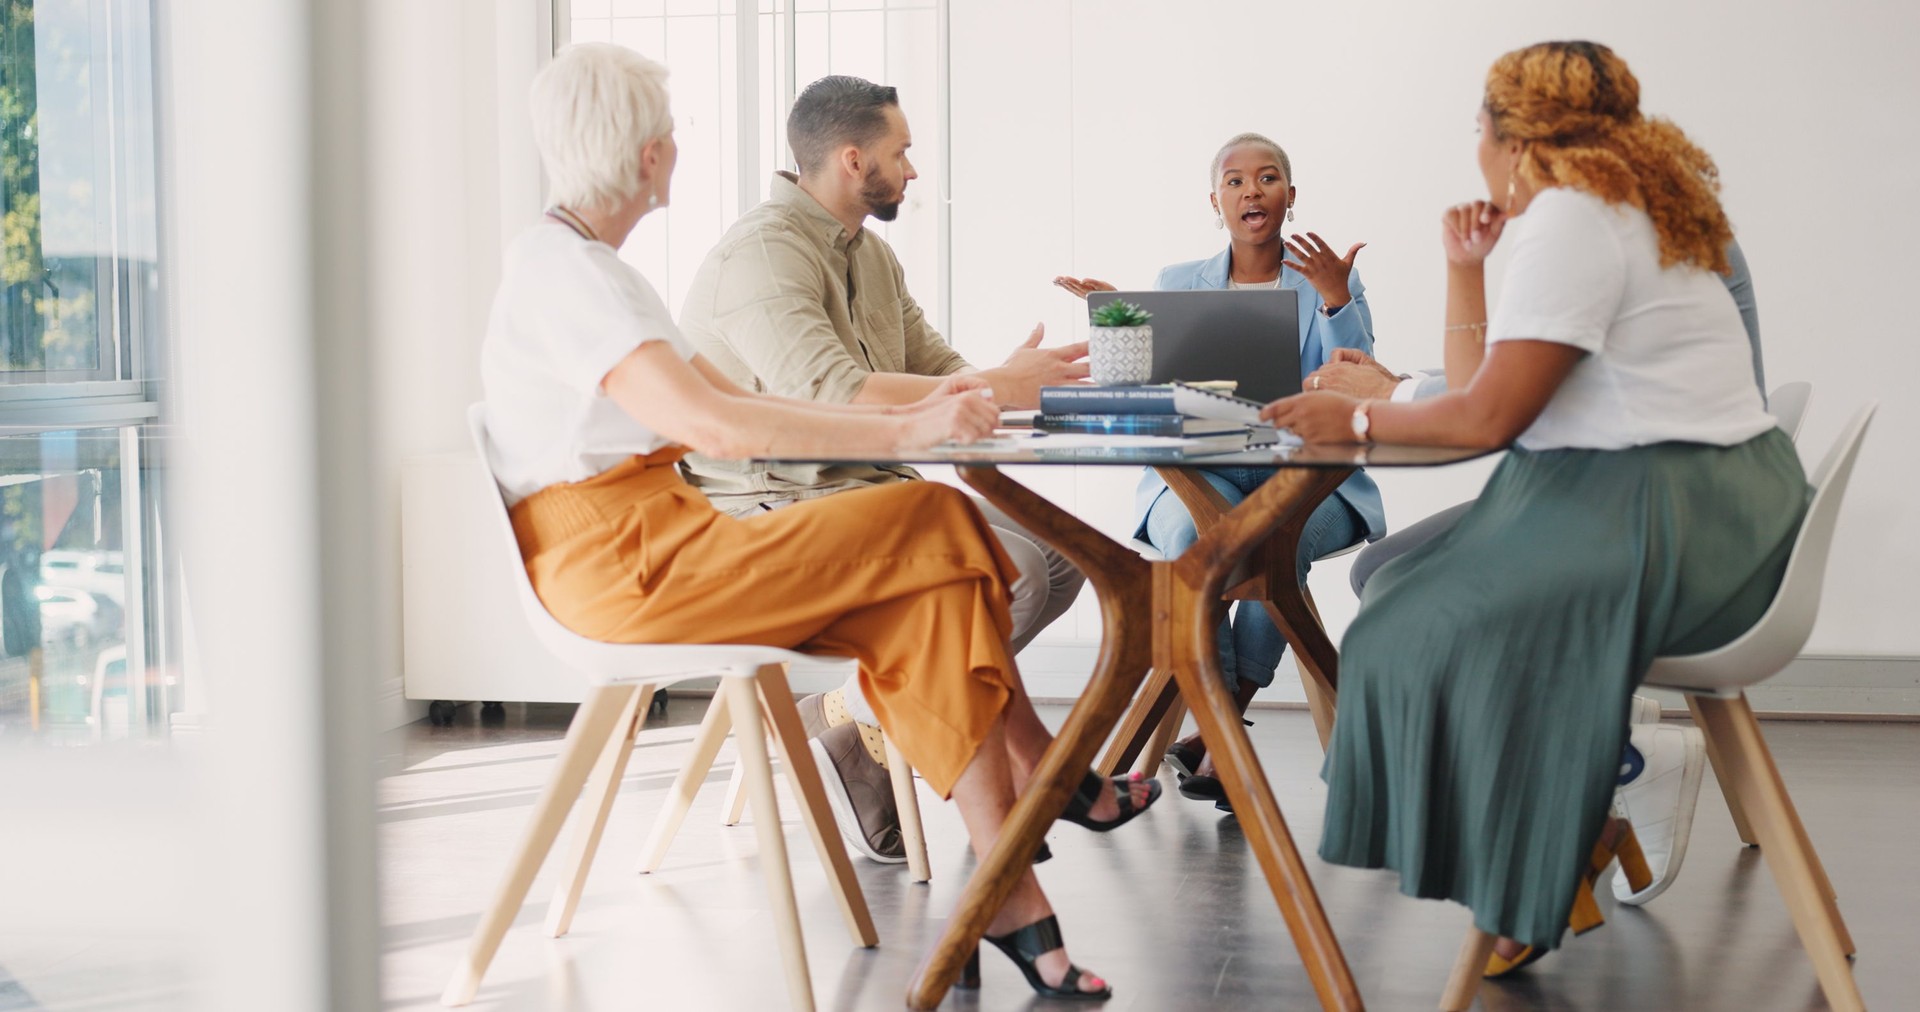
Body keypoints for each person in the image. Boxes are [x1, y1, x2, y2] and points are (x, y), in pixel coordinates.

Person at [485, 44, 1157, 999]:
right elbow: (719, 423)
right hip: (630, 565)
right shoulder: (574, 278)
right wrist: (910, 423)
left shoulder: (598, 271)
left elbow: (733, 395)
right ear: (643, 154)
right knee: (937, 518)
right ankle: (1053, 776)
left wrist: (921, 413)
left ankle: (1008, 909)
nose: (678, 147)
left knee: (932, 607)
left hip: (666, 541)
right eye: (668, 134)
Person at [1263, 41, 1807, 975]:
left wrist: (1352, 415)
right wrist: (1466, 266)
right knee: (1403, 587)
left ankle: (1562, 825)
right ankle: (1562, 832)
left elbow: (1486, 419)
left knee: (1403, 622)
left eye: (1478, 131)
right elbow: (1488, 393)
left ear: (1513, 140)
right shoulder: (1642, 199)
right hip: (1711, 500)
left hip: (1660, 511)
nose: (1475, 151)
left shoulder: (1576, 221)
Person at [675, 76, 1092, 864]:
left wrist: (1015, 379)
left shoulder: (872, 258)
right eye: (902, 153)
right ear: (852, 158)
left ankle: (848, 719)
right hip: (777, 501)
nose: (912, 170)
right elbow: (835, 395)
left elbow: (940, 371)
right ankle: (889, 736)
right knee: (1019, 573)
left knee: (1064, 560)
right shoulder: (764, 254)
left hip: (865, 486)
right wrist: (988, 387)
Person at [1053, 132, 1382, 812]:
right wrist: (1123, 318)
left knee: (1274, 539)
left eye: (1268, 179)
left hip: (1305, 478)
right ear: (1216, 201)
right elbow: (1148, 386)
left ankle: (1217, 726)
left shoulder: (1329, 284)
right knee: (1191, 544)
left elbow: (1360, 381)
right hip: (1197, 474)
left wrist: (1333, 300)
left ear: (1289, 197)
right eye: (1236, 181)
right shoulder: (1178, 283)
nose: (1252, 190)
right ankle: (1224, 735)